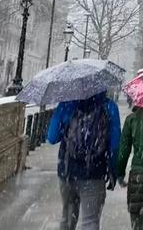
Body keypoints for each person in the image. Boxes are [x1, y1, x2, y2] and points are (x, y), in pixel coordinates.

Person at [47, 91, 121, 230]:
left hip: (67, 171)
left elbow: (52, 137)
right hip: (94, 172)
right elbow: (115, 146)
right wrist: (113, 171)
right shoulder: (109, 107)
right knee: (90, 221)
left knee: (68, 218)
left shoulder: (67, 104)